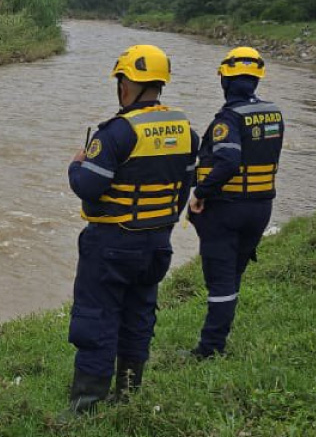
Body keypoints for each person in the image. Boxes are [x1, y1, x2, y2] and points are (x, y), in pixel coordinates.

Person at [65, 45, 199, 413]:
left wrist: (76, 165)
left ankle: (87, 404)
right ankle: (128, 393)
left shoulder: (116, 134)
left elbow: (88, 186)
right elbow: (183, 189)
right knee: (139, 314)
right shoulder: (187, 131)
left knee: (96, 319)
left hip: (111, 243)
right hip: (157, 243)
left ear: (126, 84)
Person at [187, 47, 283, 359]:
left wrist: (200, 193)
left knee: (220, 279)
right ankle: (218, 335)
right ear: (257, 78)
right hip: (261, 207)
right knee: (233, 274)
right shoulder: (274, 113)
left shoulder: (228, 119)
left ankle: (211, 348)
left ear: (225, 80)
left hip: (227, 208)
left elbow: (228, 160)